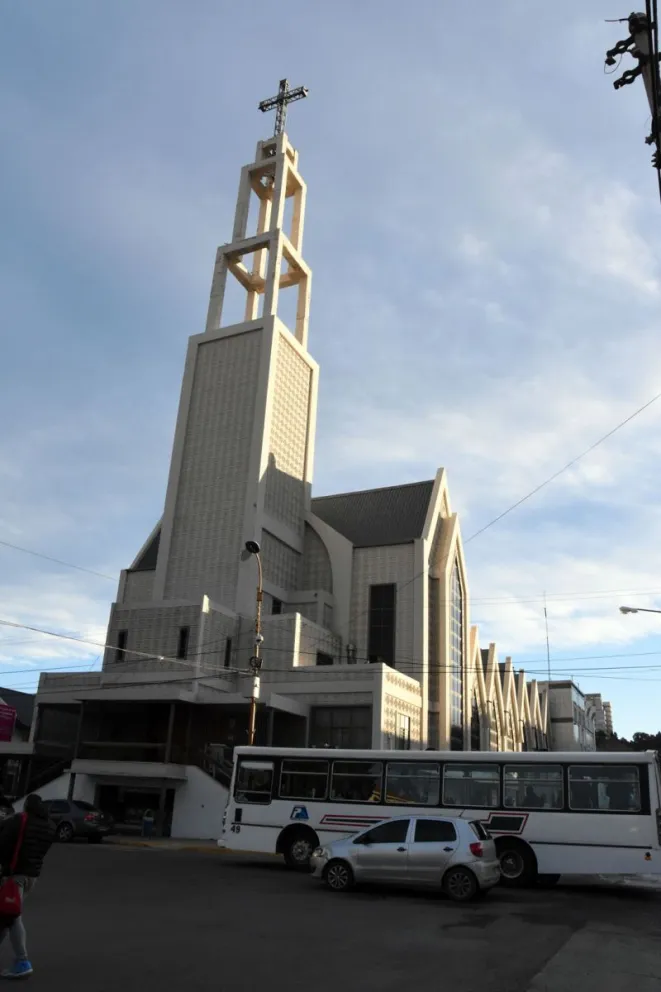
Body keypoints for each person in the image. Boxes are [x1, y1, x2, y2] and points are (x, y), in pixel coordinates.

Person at [0, 794, 54, 979]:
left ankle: (22, 961)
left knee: (12, 916)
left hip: (15, 876)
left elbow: (3, 844)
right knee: (5, 914)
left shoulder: (20, 820)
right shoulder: (49, 826)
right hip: (32, 876)